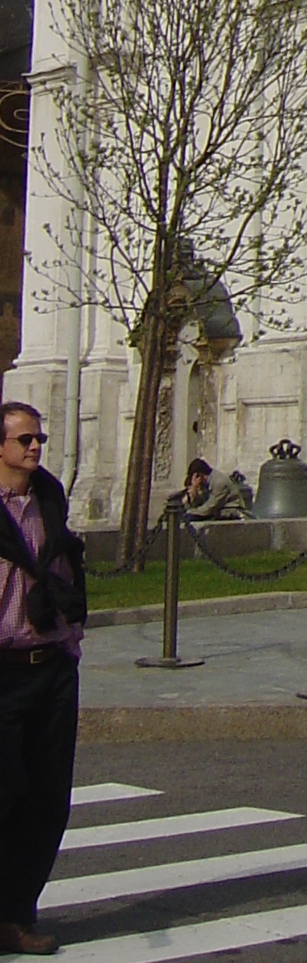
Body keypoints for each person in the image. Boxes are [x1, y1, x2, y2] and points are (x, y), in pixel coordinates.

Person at [0, 400, 84, 956]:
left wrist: (72, 641)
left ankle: (16, 915)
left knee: (48, 799)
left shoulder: (49, 498)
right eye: (25, 439)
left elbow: (67, 568)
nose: (35, 447)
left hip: (51, 666)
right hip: (2, 673)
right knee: (6, 794)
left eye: (40, 440)